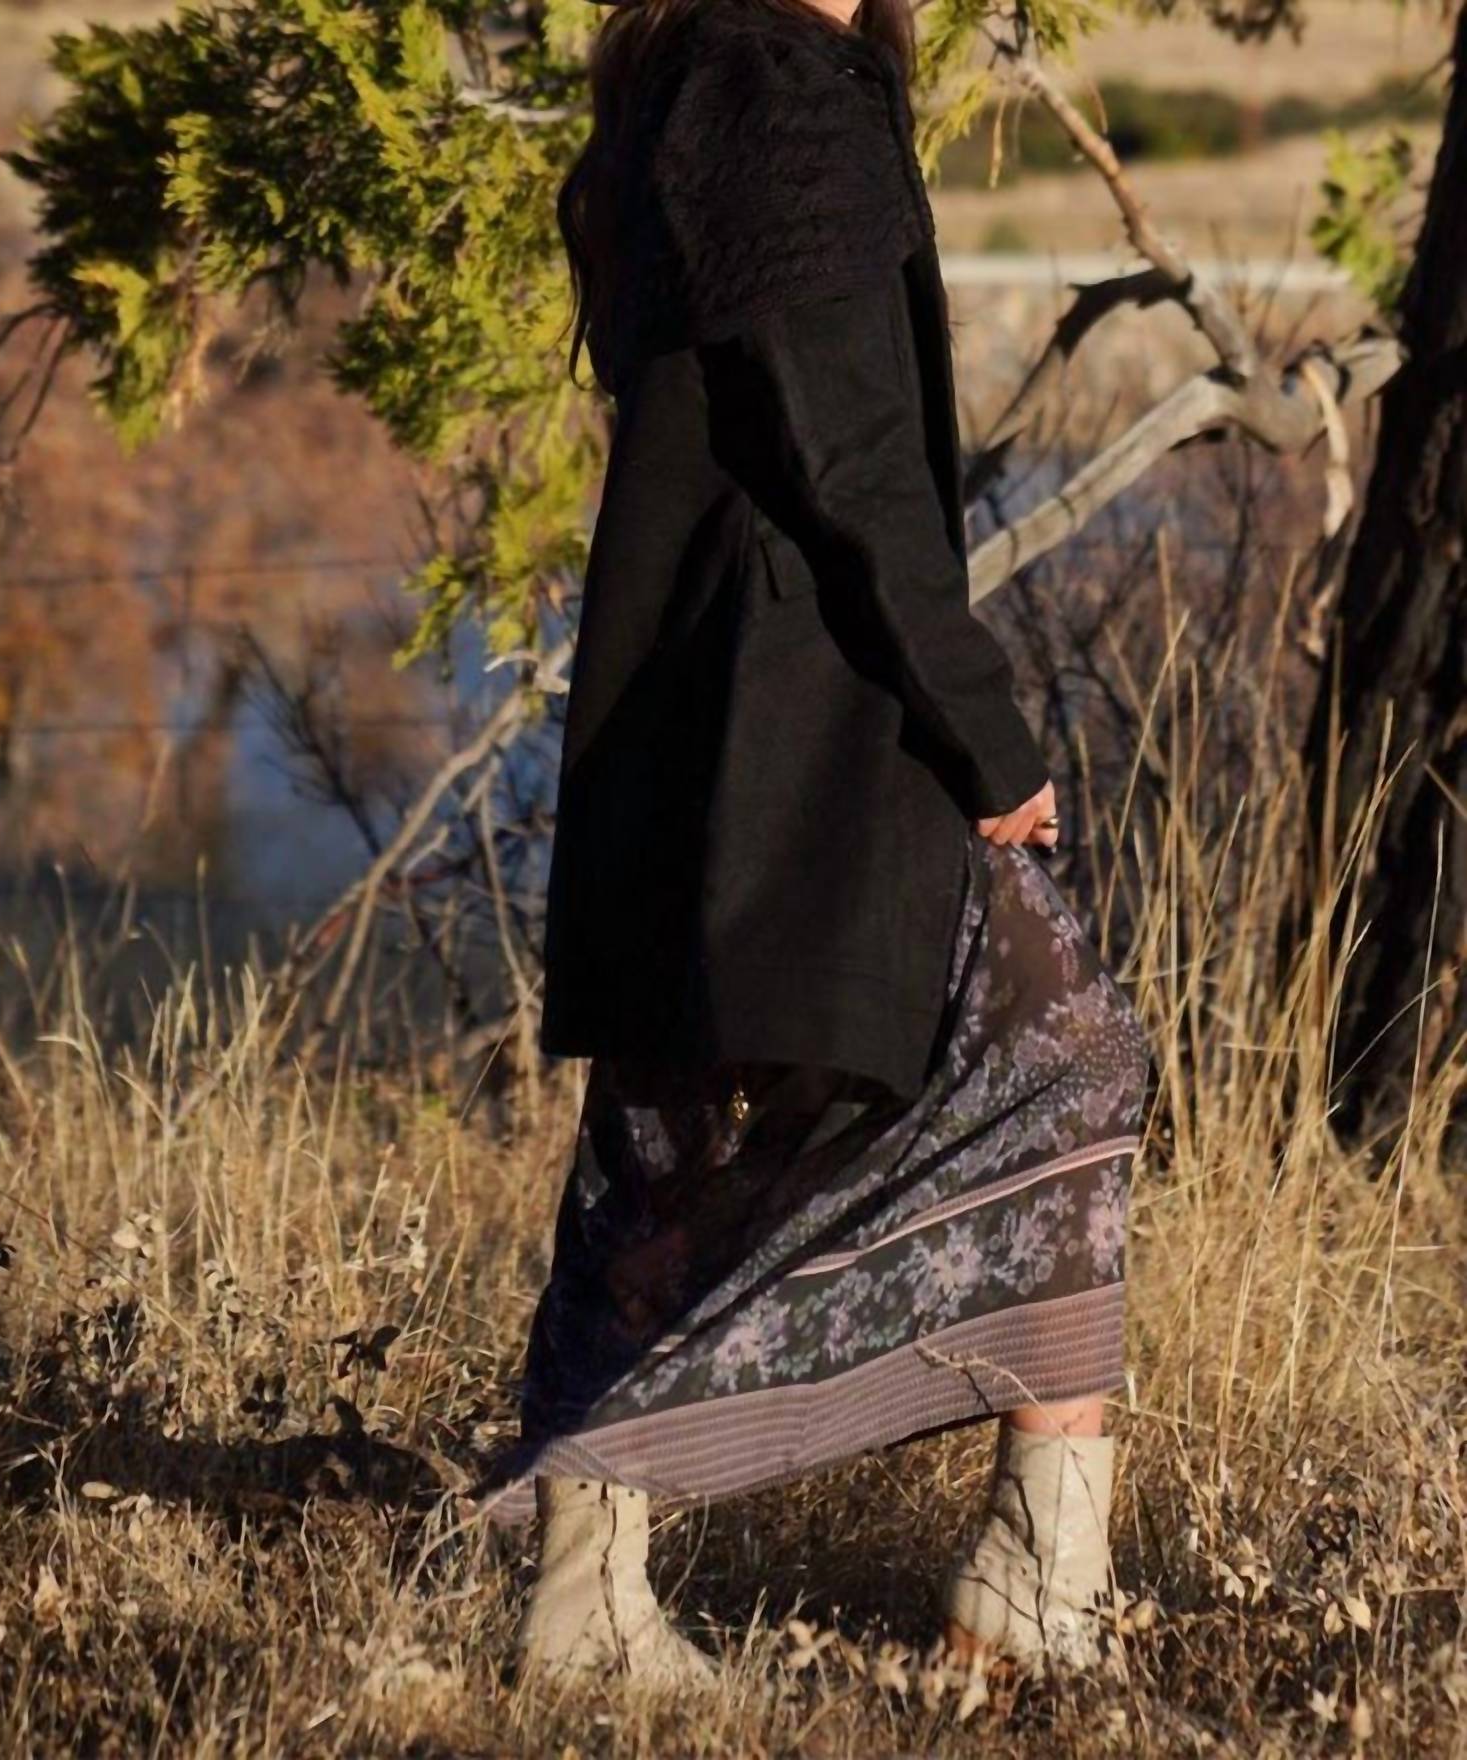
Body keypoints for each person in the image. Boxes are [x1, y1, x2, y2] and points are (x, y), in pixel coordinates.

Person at [471, 0, 1155, 1690]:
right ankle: (1029, 1581)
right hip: (804, 727)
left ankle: (590, 1592)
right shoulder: (774, 88)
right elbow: (853, 459)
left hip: (724, 720)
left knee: (675, 1133)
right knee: (1068, 1058)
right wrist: (984, 728)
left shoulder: (726, 76)